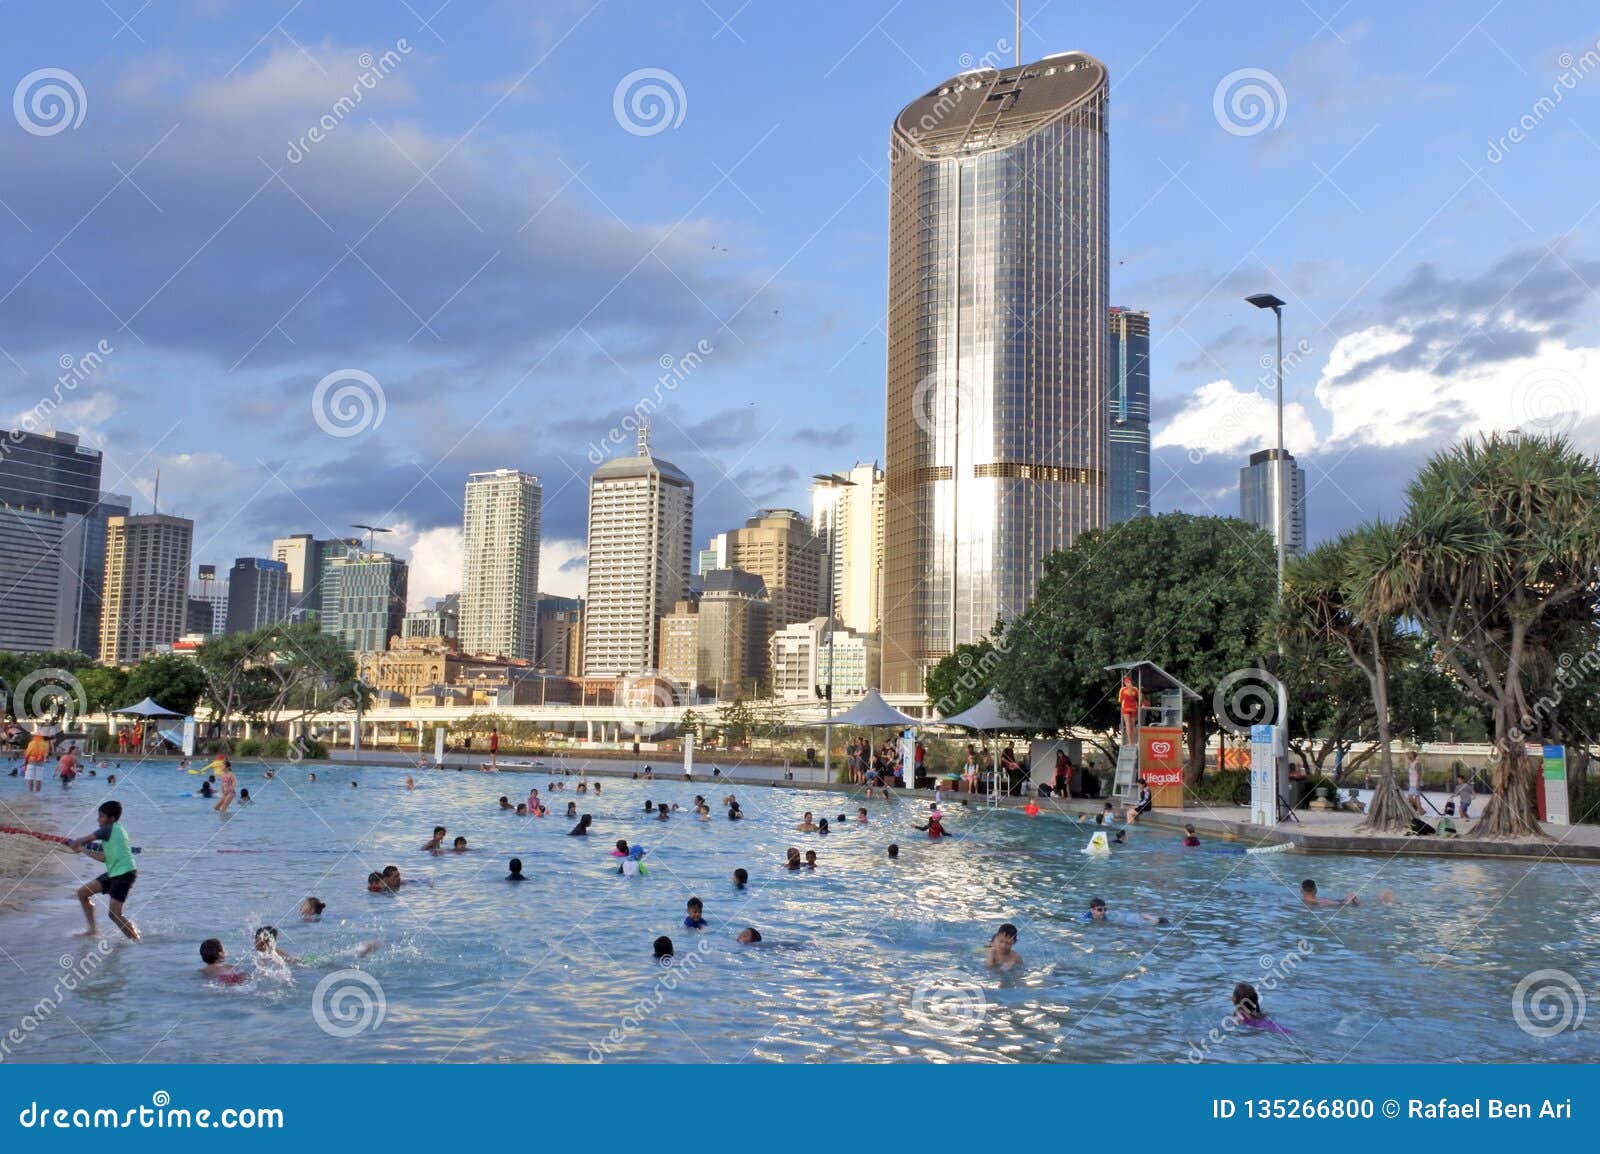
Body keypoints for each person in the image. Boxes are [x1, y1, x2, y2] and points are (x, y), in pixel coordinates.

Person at [68, 801, 140, 940]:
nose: (98, 819)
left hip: (125, 875)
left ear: (111, 819)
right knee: (83, 893)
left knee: (114, 915)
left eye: (101, 816)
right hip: (114, 873)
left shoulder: (108, 829)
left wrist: (77, 844)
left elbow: (83, 840)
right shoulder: (115, 831)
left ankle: (136, 941)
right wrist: (83, 850)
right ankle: (93, 930)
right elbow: (103, 858)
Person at [1081, 897, 1166, 926]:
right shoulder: (1085, 918)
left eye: (1105, 909)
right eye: (1100, 910)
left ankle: (1157, 920)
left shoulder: (1107, 915)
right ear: (1092, 910)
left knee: (1134, 919)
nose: (1103, 912)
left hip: (1119, 916)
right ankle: (1157, 921)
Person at [1119, 675, 1140, 742]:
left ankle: (1130, 742)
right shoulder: (1135, 689)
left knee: (1128, 725)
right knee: (1133, 725)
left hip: (1126, 708)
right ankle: (1134, 742)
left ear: (1125, 682)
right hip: (1133, 708)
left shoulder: (1123, 689)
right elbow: (1140, 698)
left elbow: (1120, 700)